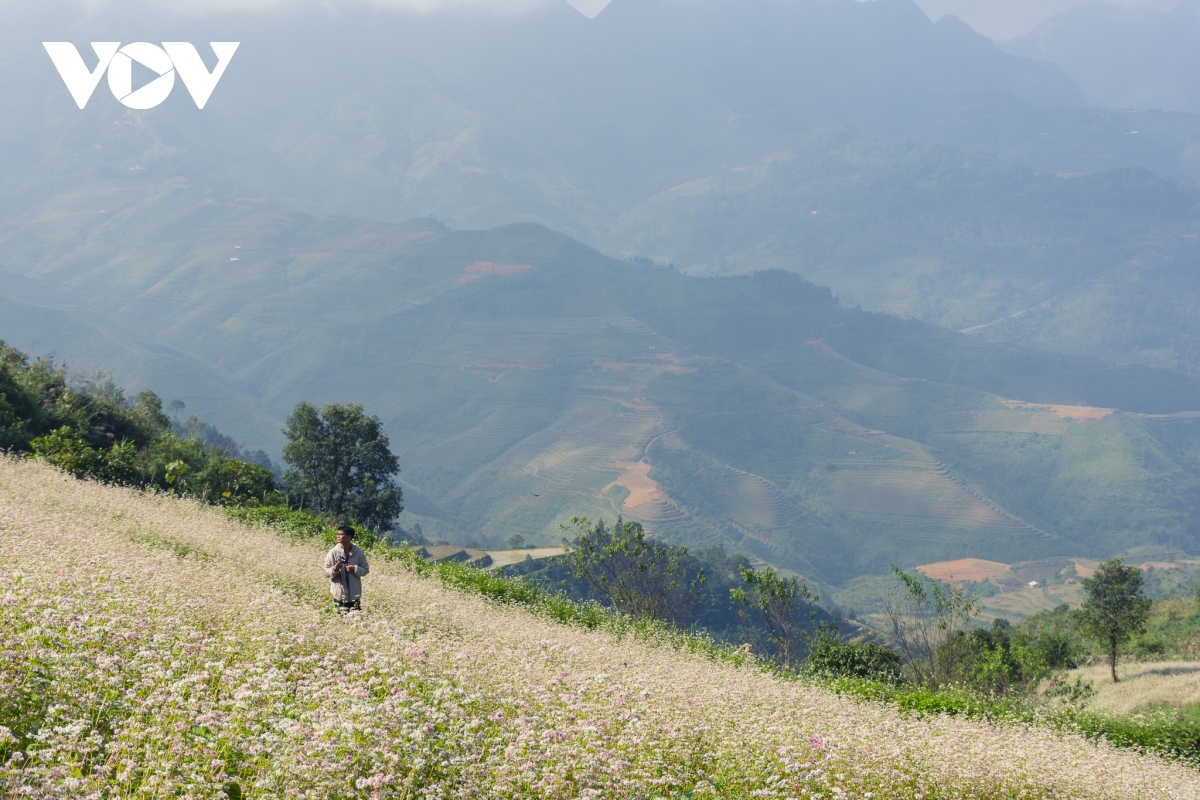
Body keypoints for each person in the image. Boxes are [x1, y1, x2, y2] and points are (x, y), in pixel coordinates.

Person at [324, 524, 369, 611]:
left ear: (349, 537)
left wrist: (354, 569)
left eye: (341, 534)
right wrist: (335, 569)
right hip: (339, 596)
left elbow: (365, 569)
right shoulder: (333, 553)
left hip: (354, 596)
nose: (338, 536)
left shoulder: (358, 553)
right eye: (338, 534)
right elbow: (325, 573)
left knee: (355, 622)